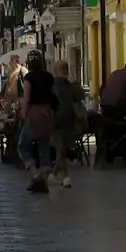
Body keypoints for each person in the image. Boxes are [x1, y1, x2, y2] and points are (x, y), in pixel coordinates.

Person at [19, 51, 58, 194]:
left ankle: (36, 174)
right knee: (44, 146)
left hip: (34, 113)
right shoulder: (48, 77)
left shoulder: (29, 77)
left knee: (23, 145)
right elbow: (54, 95)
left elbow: (27, 97)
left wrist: (23, 113)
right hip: (47, 112)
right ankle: (44, 179)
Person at [50, 60, 84, 188]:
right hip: (70, 118)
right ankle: (61, 175)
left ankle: (60, 175)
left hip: (56, 118)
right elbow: (79, 97)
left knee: (60, 148)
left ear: (55, 71)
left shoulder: (52, 85)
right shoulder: (71, 85)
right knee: (62, 148)